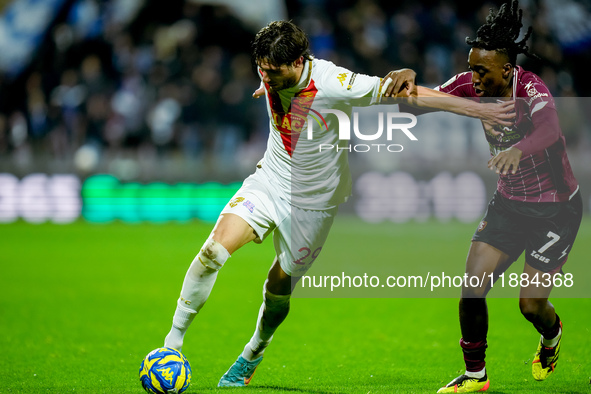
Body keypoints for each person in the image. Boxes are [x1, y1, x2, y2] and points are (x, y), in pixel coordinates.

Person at [162, 20, 515, 388]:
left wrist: (480, 110)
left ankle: (254, 350)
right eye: (261, 70)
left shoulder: (335, 83)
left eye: (273, 73)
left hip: (316, 203)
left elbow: (407, 95)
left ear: (299, 62)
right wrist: (267, 82)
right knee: (213, 252)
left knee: (280, 284)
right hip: (270, 181)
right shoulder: (272, 69)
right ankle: (173, 345)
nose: (266, 77)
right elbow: (271, 77)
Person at [386, 1, 582, 392]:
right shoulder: (468, 84)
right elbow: (419, 103)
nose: (473, 78)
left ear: (506, 70)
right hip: (509, 204)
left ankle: (552, 334)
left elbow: (549, 130)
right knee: (472, 286)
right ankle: (476, 375)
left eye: (481, 70)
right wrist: (406, 81)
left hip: (555, 209)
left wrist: (518, 150)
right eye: (471, 67)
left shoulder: (530, 88)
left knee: (530, 306)